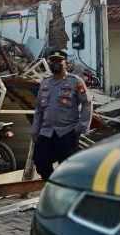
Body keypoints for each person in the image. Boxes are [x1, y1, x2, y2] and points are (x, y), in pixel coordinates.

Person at [32, 49, 93, 181]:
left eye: (59, 61)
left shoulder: (75, 82)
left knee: (66, 167)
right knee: (40, 162)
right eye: (53, 61)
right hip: (46, 131)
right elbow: (38, 109)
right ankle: (53, 184)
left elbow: (87, 103)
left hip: (67, 131)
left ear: (66, 63)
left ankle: (65, 191)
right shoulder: (45, 83)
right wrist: (36, 129)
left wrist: (81, 126)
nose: (56, 63)